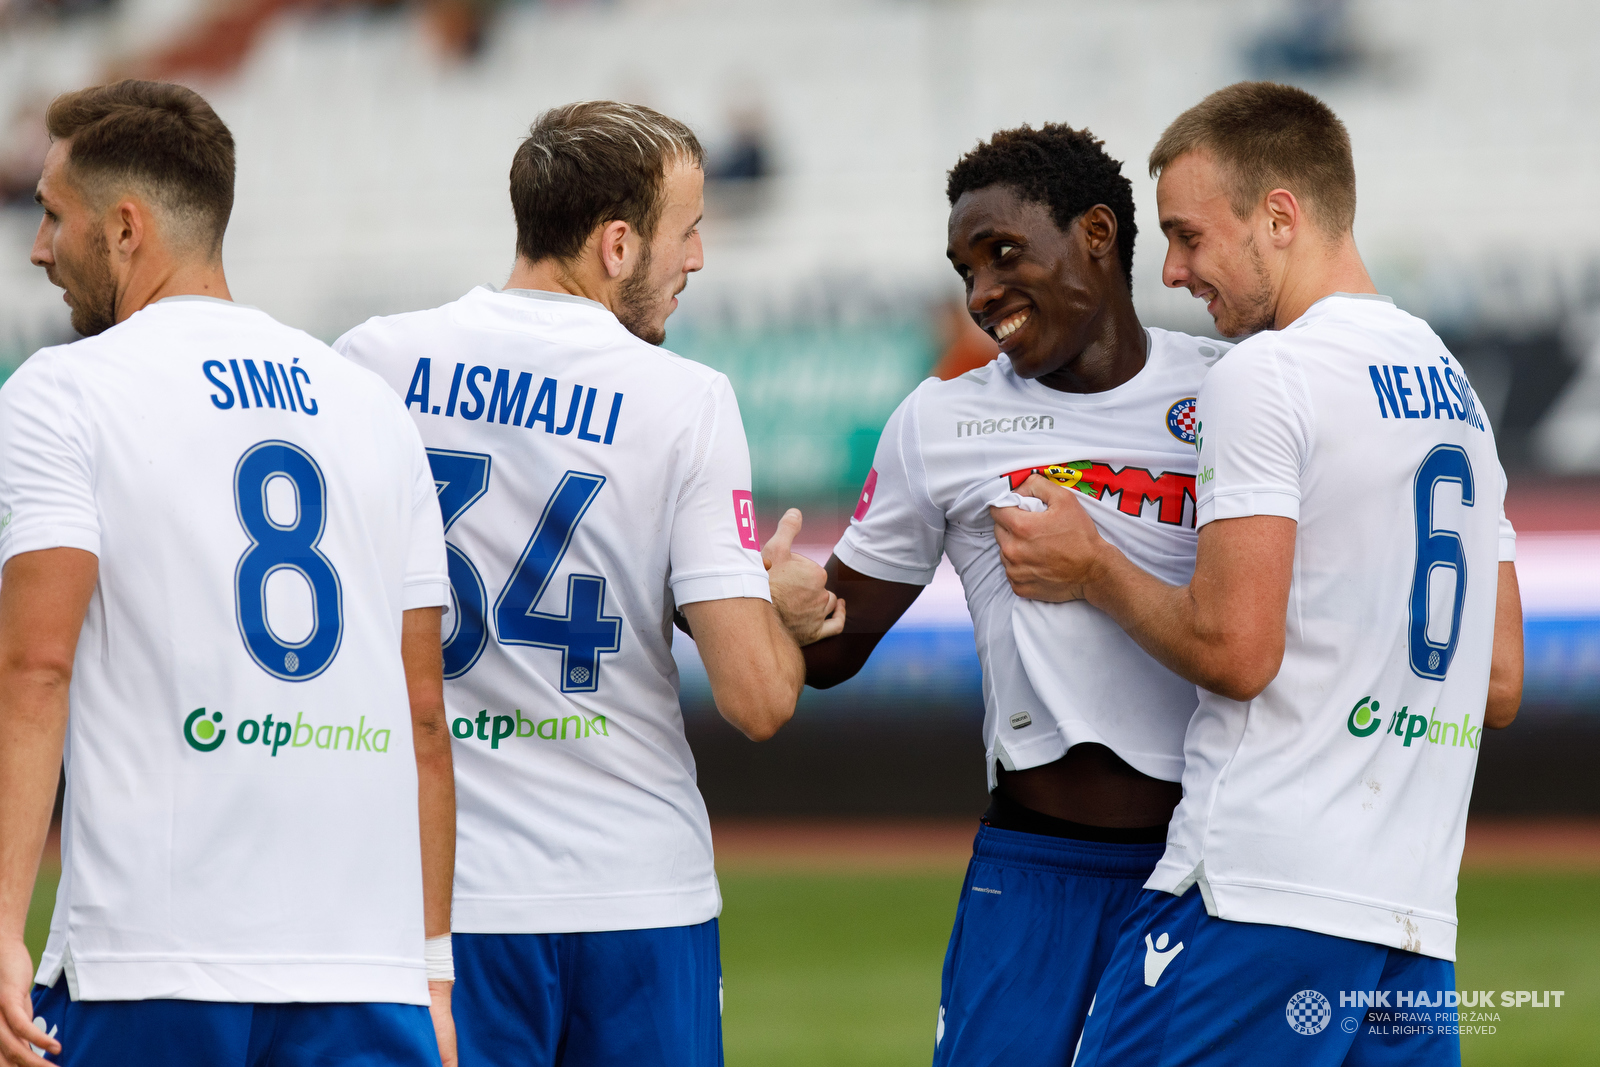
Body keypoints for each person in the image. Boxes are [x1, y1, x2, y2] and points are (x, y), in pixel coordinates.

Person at [991, 83, 1523, 1066]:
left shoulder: (1266, 374)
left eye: (1189, 236)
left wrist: (1091, 567)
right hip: (1408, 924)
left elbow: (1237, 650)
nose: (1178, 269)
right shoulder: (1456, 393)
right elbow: (1495, 680)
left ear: (1279, 216)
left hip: (1254, 899)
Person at [335, 100, 840, 1067]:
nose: (696, 259)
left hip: (440, 896)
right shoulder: (684, 400)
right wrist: (780, 612)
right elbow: (760, 698)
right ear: (617, 244)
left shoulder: (371, 361)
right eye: (686, 232)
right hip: (635, 896)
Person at [0, 81, 458, 1067]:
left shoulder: (62, 391)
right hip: (364, 971)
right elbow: (425, 713)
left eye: (51, 214)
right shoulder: (370, 406)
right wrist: (430, 967)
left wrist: (0, 927)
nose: (39, 248)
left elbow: (34, 668)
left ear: (125, 228)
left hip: (151, 962)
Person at [803, 123, 1229, 1065]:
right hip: (1032, 869)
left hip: (1213, 866)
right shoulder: (942, 418)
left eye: (1003, 253)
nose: (982, 292)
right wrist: (756, 596)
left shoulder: (1236, 393)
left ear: (1098, 233)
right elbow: (830, 647)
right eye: (965, 269)